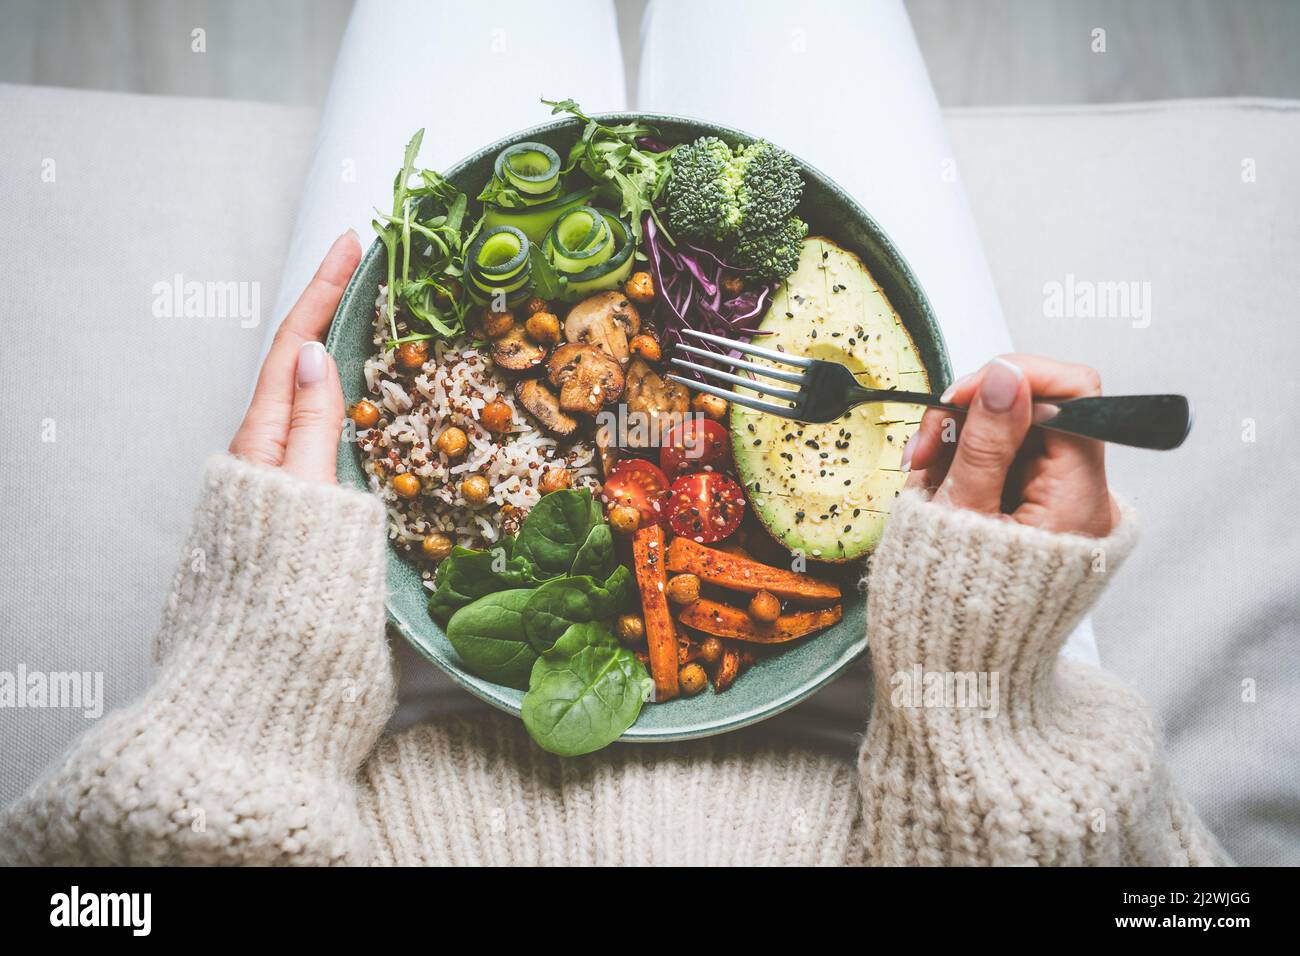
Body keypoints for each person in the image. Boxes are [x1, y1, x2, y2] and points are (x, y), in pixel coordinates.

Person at [0, 0, 1229, 866]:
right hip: (901, 713)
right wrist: (985, 665)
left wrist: (251, 684)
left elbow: (81, 908)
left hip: (383, 702)